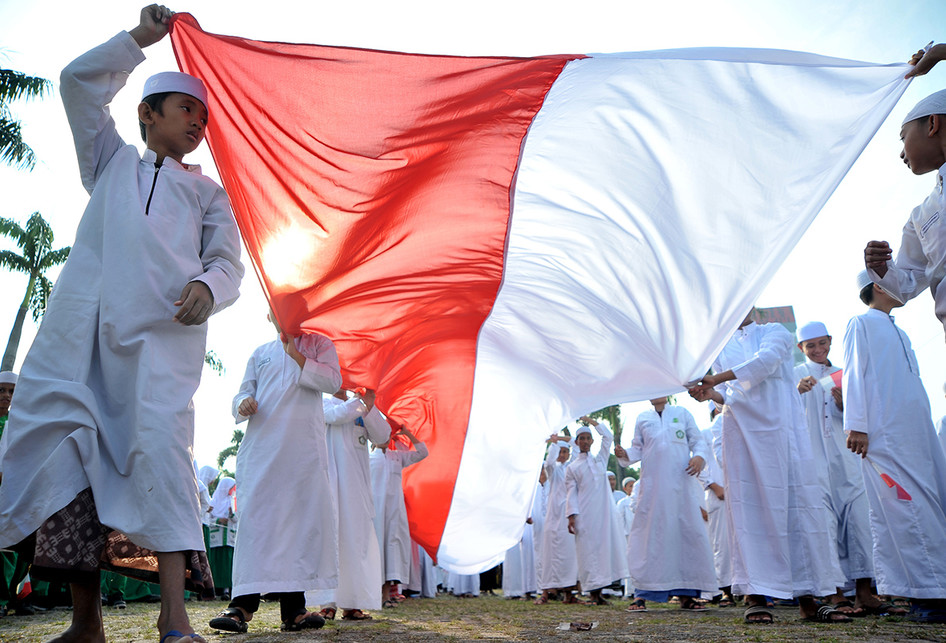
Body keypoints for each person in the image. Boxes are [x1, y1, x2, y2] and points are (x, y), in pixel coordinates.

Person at [0, 5, 245, 642]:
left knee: (160, 461)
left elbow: (227, 263)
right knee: (68, 467)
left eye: (204, 116)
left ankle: (175, 619)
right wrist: (143, 38)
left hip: (159, 357)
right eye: (186, 109)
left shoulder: (208, 194)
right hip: (82, 351)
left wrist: (206, 286)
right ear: (147, 113)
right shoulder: (109, 163)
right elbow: (78, 81)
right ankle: (87, 624)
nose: (198, 122)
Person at [689, 310, 847, 624]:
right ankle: (756, 596)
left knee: (798, 509)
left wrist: (716, 379)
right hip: (743, 435)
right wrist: (712, 393)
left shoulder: (775, 331)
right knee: (750, 511)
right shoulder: (718, 345)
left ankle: (809, 598)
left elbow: (767, 362)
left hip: (784, 431)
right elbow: (732, 395)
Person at [209, 316, 341, 634]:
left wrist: (297, 354)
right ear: (270, 313)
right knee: (257, 525)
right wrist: (243, 404)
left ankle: (294, 610)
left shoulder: (320, 345)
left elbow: (333, 383)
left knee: (297, 525)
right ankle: (240, 607)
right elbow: (240, 395)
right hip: (262, 451)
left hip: (302, 454)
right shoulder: (260, 352)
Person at [843, 271, 946, 623]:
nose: (904, 289)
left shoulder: (899, 330)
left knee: (930, 506)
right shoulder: (861, 323)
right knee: (906, 509)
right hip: (884, 434)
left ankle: (927, 591)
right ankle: (929, 596)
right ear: (877, 287)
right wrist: (857, 425)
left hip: (915, 434)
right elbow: (855, 373)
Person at [794, 322, 894, 616]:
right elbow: (782, 409)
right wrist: (795, 392)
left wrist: (844, 404)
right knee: (824, 525)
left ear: (830, 342)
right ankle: (835, 594)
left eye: (822, 343)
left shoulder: (844, 374)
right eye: (810, 345)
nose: (817, 349)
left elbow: (861, 414)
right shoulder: (794, 375)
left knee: (860, 522)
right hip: (812, 460)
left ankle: (864, 593)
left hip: (847, 458)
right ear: (800, 348)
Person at [616, 398, 716, 612]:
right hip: (653, 489)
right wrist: (625, 455)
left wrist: (698, 457)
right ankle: (641, 594)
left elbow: (697, 440)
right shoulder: (643, 418)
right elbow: (637, 449)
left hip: (681, 486)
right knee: (649, 536)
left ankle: (687, 595)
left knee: (685, 535)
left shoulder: (682, 413)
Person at [315, 388, 390, 621]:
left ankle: (353, 604)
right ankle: (327, 603)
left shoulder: (361, 407)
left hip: (357, 489)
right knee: (329, 541)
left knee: (356, 542)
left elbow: (383, 436)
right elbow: (335, 416)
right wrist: (361, 404)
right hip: (329, 485)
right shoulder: (322, 403)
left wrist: (369, 407)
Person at [565, 417, 628, 606]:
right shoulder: (572, 467)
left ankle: (599, 593)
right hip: (584, 516)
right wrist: (571, 516)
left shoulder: (600, 460)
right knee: (587, 552)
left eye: (587, 438)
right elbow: (571, 494)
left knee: (602, 552)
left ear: (592, 441)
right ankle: (591, 593)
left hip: (604, 516)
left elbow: (607, 437)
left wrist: (591, 421)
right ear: (576, 442)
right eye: (581, 438)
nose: (584, 441)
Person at [370, 425, 428, 607]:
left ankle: (386, 596)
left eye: (387, 434)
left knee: (391, 551)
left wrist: (404, 435)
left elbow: (422, 452)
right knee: (376, 551)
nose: (384, 438)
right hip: (375, 513)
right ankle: (373, 597)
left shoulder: (397, 457)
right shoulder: (367, 458)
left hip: (394, 513)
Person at [0, 371, 31, 619]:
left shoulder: (21, 426)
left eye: (11, 391)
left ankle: (15, 598)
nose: (6, 396)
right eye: (1, 390)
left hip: (15, 494)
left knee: (15, 548)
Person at [535, 436, 579, 604]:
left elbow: (576, 446)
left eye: (565, 451)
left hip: (569, 516)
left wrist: (562, 438)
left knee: (569, 555)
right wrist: (554, 442)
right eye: (560, 451)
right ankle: (545, 592)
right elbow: (549, 460)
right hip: (553, 517)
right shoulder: (553, 470)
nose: (563, 454)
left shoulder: (573, 468)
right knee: (549, 554)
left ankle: (568, 593)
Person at [206, 477, 235, 601]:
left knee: (228, 564)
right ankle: (216, 589)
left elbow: (238, 518)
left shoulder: (233, 501)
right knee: (216, 563)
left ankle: (227, 590)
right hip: (216, 538)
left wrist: (231, 514)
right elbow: (207, 518)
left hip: (229, 538)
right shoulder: (213, 501)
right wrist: (218, 520)